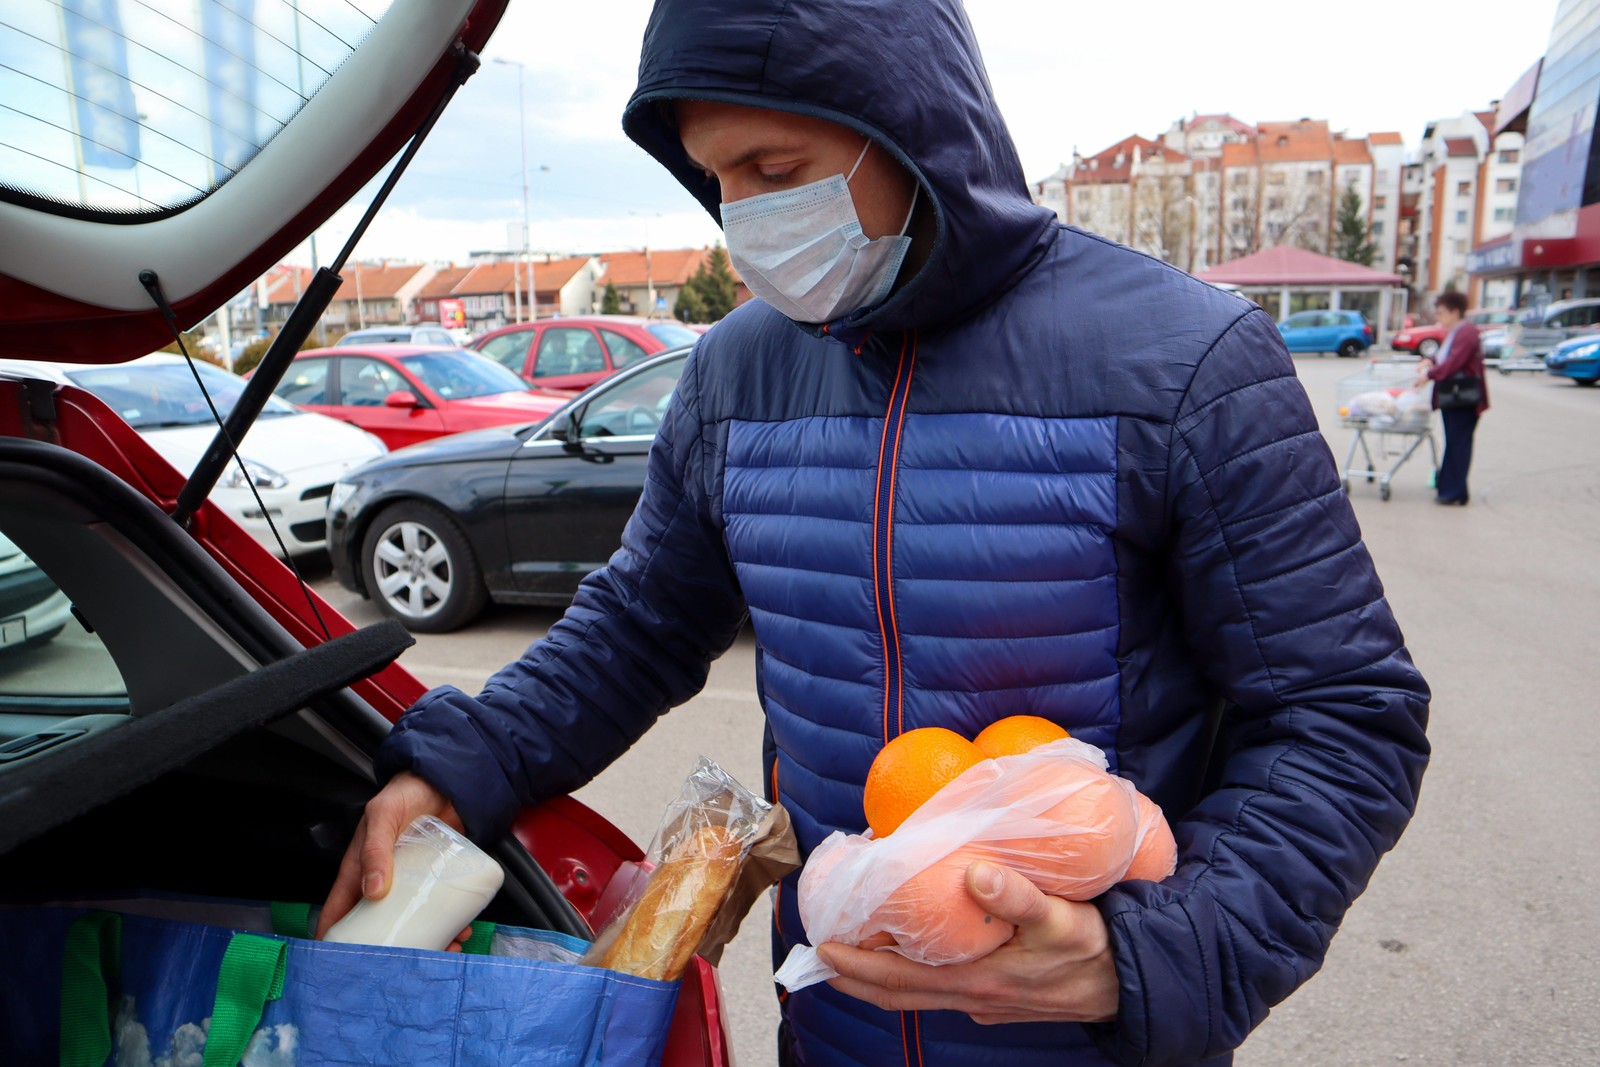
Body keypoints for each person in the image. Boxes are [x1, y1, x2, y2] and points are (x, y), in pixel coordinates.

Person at [319, 2, 1431, 1063]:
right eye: (716, 179)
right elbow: (638, 625)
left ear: (907, 128)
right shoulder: (733, 372)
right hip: (834, 1026)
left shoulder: (1186, 361)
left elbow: (1344, 717)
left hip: (1091, 1044)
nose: (745, 218)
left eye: (775, 173)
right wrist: (462, 766)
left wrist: (1157, 956)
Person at [1414, 290, 1487, 505]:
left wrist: (1429, 374)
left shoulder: (1466, 332)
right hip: (1455, 398)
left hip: (1462, 398)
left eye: (1442, 313)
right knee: (1455, 443)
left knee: (1459, 444)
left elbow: (1454, 363)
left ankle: (1454, 492)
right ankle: (1451, 489)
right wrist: (1429, 361)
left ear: (1456, 312)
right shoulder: (1456, 331)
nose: (1439, 318)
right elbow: (1445, 356)